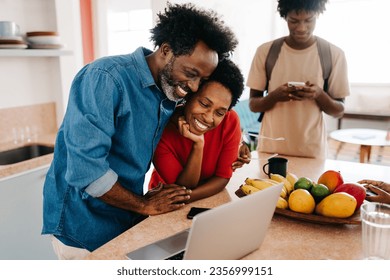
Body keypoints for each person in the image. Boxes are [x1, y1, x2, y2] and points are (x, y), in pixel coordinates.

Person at [42, 3, 240, 259]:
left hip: (122, 219)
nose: (193, 87)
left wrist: (240, 146)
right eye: (191, 74)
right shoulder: (105, 78)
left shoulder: (167, 91)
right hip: (81, 226)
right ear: (166, 50)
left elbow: (211, 114)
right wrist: (143, 204)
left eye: (201, 80)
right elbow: (86, 170)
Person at [247, 0, 350, 159]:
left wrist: (319, 94)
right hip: (271, 150)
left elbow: (339, 110)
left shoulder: (333, 54)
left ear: (317, 16)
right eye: (293, 21)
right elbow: (253, 104)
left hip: (311, 152)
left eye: (309, 20)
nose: (301, 28)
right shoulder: (266, 52)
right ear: (284, 17)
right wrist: (275, 96)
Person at [148, 59, 244, 202]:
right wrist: (198, 146)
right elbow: (183, 186)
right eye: (204, 104)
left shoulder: (230, 121)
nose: (209, 118)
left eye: (219, 113)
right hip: (164, 204)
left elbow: (222, 178)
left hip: (187, 200)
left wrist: (186, 197)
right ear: (190, 95)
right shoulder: (161, 129)